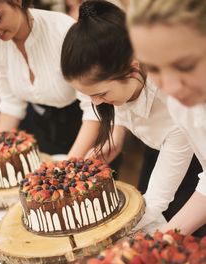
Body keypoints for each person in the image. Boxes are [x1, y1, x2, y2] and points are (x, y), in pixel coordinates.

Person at [60, 0, 199, 232]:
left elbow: (154, 201)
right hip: (159, 151)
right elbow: (124, 109)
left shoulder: (175, 102)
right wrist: (116, 134)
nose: (95, 103)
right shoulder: (123, 83)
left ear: (132, 68)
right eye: (89, 95)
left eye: (101, 93)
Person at [127, 0, 206, 235]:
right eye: (154, 69)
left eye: (185, 65)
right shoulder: (182, 105)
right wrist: (162, 242)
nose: (170, 87)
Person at [0, 0, 84, 156]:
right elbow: (11, 103)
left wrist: (69, 164)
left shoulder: (63, 30)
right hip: (43, 130)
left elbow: (93, 108)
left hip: (86, 130)